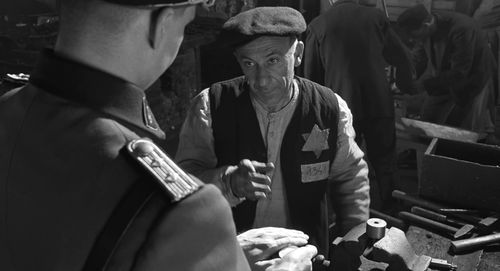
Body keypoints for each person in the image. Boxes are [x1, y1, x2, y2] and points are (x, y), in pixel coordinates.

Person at [0, 0, 318, 270]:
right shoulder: (186, 210)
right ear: (161, 24)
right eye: (184, 25)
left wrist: (215, 250)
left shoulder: (8, 111)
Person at [175, 6, 370, 258]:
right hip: (233, 256)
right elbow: (182, 184)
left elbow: (350, 177)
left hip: (306, 256)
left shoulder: (330, 109)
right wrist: (229, 182)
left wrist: (353, 243)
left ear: (298, 53)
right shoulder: (210, 106)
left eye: (273, 60)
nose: (262, 79)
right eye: (249, 63)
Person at [303, 0, 414, 210]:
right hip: (379, 103)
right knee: (386, 163)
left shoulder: (318, 25)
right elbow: (401, 56)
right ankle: (396, 213)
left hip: (343, 109)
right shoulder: (376, 18)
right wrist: (405, 84)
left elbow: (311, 79)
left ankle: (343, 216)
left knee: (342, 165)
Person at [397, 4, 498, 139]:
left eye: (413, 36)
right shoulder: (427, 28)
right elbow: (418, 57)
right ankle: (421, 151)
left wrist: (423, 85)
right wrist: (408, 74)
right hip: (445, 78)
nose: (411, 40)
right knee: (429, 115)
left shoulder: (462, 29)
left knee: (466, 130)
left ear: (426, 25)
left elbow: (460, 73)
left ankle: (461, 153)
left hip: (473, 79)